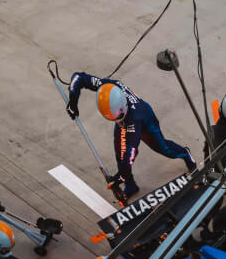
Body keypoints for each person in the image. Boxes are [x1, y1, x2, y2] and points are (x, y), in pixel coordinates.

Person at [65, 71, 195, 200]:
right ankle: (131, 185)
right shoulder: (108, 87)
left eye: (117, 117)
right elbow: (78, 77)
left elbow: (130, 154)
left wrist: (121, 176)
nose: (115, 120)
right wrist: (73, 102)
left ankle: (185, 153)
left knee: (163, 148)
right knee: (120, 154)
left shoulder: (134, 121)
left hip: (145, 121)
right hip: (124, 121)